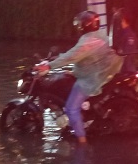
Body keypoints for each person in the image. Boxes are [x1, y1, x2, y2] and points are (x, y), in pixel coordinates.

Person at [35, 11, 123, 143]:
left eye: (80, 24)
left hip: (93, 79)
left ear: (85, 25)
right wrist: (68, 68)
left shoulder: (89, 41)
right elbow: (83, 57)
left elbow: (72, 56)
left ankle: (82, 141)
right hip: (99, 72)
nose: (78, 27)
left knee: (71, 108)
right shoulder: (100, 34)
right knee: (66, 76)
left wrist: (49, 66)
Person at [110, 8, 137, 72]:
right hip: (121, 68)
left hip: (127, 70)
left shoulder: (129, 35)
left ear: (124, 20)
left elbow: (127, 54)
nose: (120, 22)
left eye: (121, 20)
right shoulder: (122, 32)